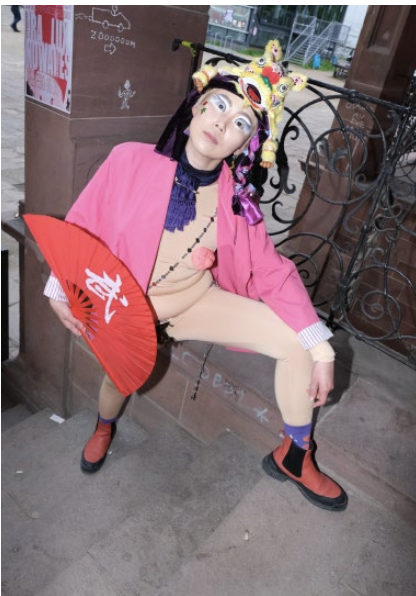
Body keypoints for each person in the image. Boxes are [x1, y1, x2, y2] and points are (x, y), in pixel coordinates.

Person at [44, 40, 348, 512]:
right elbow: (84, 223)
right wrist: (58, 286)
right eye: (220, 106)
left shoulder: (237, 200)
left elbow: (272, 270)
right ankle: (104, 427)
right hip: (127, 306)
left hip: (194, 302)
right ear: (196, 107)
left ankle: (295, 454)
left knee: (297, 342)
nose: (224, 123)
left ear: (245, 146)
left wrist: (322, 348)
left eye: (241, 123)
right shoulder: (129, 159)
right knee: (118, 383)